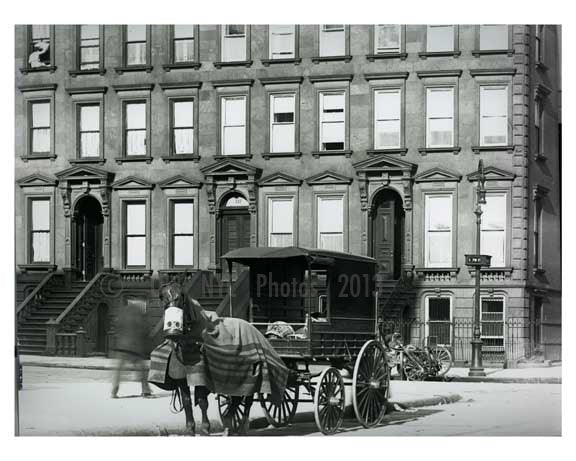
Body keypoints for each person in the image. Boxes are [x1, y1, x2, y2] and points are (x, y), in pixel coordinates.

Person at [111, 300, 152, 398]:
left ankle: (114, 390)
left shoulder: (123, 314)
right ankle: (145, 390)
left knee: (119, 370)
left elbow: (117, 327)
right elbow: (145, 330)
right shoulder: (140, 316)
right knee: (142, 370)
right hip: (135, 348)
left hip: (122, 346)